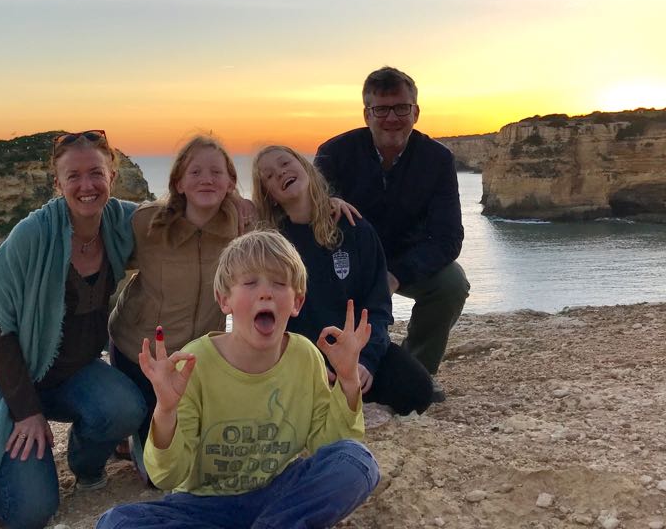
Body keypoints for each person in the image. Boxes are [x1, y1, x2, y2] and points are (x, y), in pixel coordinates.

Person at [96, 230, 380, 529]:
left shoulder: (305, 356)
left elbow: (330, 444)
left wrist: (347, 379)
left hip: (279, 494)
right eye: (250, 282)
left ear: (297, 301)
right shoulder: (195, 362)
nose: (265, 293)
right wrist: (166, 411)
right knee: (116, 522)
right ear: (224, 300)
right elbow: (167, 476)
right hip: (203, 505)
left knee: (357, 461)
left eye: (279, 283)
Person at [0, 130, 146, 529]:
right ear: (57, 183)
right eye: (74, 176)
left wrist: (235, 205)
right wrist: (26, 412)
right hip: (16, 379)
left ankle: (86, 466)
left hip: (74, 372)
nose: (87, 185)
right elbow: (0, 327)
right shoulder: (34, 234)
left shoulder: (121, 221)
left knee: (126, 408)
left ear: (112, 176)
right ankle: (12, 465)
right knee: (31, 512)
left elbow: (175, 217)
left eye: (96, 173)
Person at [315, 66, 469, 396]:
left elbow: (448, 237)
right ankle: (324, 371)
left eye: (401, 108)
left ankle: (419, 369)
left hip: (407, 260)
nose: (392, 118)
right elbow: (311, 214)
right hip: (348, 262)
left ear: (416, 112)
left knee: (452, 284)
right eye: (381, 110)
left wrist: (396, 274)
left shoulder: (438, 159)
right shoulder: (334, 153)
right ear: (366, 114)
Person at [253, 144, 434, 415]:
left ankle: (349, 392)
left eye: (285, 163)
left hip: (356, 350)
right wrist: (304, 365)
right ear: (270, 195)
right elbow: (267, 317)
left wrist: (366, 362)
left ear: (306, 168)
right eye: (268, 175)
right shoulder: (272, 245)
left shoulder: (354, 228)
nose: (280, 173)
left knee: (417, 390)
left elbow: (377, 305)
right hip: (303, 356)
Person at [108, 135, 241, 473]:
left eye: (216, 172)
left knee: (201, 459)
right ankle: (117, 435)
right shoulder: (147, 222)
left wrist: (329, 203)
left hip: (195, 361)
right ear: (179, 183)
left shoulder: (241, 227)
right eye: (195, 172)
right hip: (139, 353)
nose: (206, 179)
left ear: (230, 183)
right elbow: (98, 228)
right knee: (158, 473)